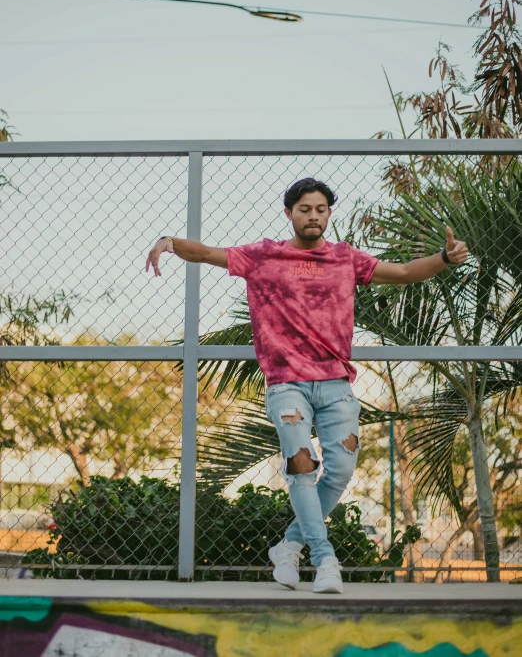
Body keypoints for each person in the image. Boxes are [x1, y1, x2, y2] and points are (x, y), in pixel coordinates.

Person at [146, 177, 469, 593]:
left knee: (341, 470)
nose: (313, 216)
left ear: (328, 213)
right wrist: (167, 241)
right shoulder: (264, 256)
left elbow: (405, 272)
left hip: (336, 383)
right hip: (287, 385)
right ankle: (324, 560)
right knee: (302, 464)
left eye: (320, 209)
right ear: (289, 214)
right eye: (304, 209)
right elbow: (207, 253)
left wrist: (445, 257)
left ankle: (289, 545)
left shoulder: (345, 259)